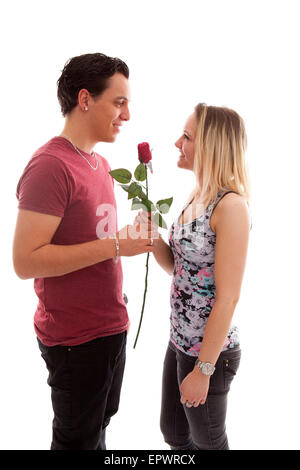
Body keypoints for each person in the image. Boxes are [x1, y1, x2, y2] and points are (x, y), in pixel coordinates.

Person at [12, 53, 155, 450]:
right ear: (86, 99)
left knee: (97, 431)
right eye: (119, 101)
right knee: (77, 440)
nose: (127, 115)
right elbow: (25, 261)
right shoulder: (49, 166)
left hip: (110, 328)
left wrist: (130, 239)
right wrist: (116, 245)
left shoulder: (100, 164)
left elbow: (96, 244)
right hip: (76, 341)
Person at [136, 103, 251, 450]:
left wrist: (203, 371)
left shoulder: (230, 207)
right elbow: (182, 270)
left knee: (209, 443)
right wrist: (154, 239)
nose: (176, 143)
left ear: (211, 146)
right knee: (172, 432)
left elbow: (228, 297)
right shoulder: (197, 196)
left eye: (186, 137)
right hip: (180, 341)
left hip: (210, 353)